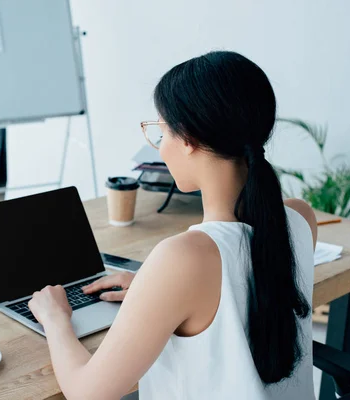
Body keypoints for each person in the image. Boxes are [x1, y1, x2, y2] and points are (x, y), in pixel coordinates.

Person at [28, 51, 318, 399]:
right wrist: (156, 290)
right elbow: (239, 290)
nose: (160, 147)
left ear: (189, 140)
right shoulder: (301, 218)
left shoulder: (184, 257)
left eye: (161, 131)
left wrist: (56, 319)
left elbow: (86, 393)